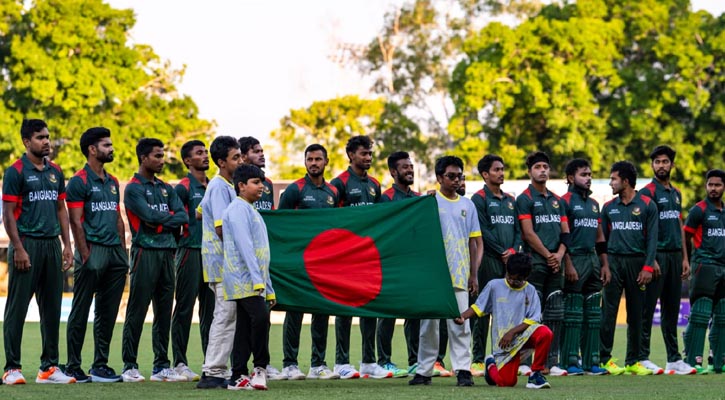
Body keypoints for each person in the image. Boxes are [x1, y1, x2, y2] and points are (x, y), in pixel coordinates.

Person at [2, 119, 75, 385]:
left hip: (51, 245)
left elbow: (60, 210)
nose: (46, 141)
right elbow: (8, 214)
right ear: (26, 142)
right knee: (17, 309)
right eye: (40, 137)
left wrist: (67, 245)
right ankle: (11, 368)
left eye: (47, 136)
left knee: (52, 309)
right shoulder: (15, 172)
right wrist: (19, 248)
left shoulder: (56, 170)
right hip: (27, 244)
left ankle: (48, 368)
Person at [409, 155, 483, 387]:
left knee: (461, 324)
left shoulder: (467, 205)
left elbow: (474, 242)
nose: (456, 180)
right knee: (428, 326)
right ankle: (424, 371)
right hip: (433, 276)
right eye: (450, 176)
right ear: (439, 178)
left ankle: (463, 370)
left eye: (459, 176)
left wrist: (474, 274)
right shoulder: (429, 202)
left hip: (459, 273)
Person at [63, 127, 128, 383]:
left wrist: (122, 252)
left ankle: (100, 365)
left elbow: (117, 217)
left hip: (114, 253)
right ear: (92, 149)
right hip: (92, 251)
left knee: (108, 311)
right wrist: (85, 253)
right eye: (106, 145)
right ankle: (73, 366)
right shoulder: (79, 181)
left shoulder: (112, 181)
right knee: (80, 310)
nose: (111, 149)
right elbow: (76, 221)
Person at [121, 138, 188, 383]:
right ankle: (129, 365)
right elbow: (146, 216)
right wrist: (165, 220)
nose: (161, 160)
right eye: (157, 156)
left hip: (167, 252)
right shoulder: (133, 188)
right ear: (143, 158)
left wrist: (160, 224)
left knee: (163, 311)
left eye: (162, 155)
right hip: (144, 253)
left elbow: (182, 216)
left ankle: (161, 365)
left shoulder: (167, 188)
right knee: (137, 311)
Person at [276, 144, 341, 380]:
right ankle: (289, 364)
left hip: (324, 263)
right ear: (305, 162)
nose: (314, 163)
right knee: (295, 312)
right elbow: (281, 225)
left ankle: (318, 365)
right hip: (297, 263)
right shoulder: (295, 190)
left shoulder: (333, 191)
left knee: (322, 311)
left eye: (318, 159)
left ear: (326, 162)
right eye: (310, 159)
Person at [330, 135, 389, 379]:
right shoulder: (339, 183)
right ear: (351, 155)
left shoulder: (375, 184)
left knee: (369, 306)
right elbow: (331, 220)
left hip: (368, 257)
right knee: (344, 309)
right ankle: (341, 362)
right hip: (345, 256)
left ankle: (368, 361)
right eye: (363, 153)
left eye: (370, 153)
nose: (368, 157)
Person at [454, 253, 553, 389]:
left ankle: (535, 374)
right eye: (509, 277)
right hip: (504, 345)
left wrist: (512, 332)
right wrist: (463, 316)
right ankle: (490, 364)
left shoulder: (531, 291)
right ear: (506, 270)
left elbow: (533, 319)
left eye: (517, 279)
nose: (512, 281)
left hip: (522, 338)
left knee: (545, 332)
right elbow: (478, 307)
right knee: (507, 383)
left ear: (526, 277)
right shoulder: (494, 286)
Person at [639, 146, 695, 375]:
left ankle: (674, 359)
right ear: (652, 165)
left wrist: (684, 257)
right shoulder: (647, 192)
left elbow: (679, 227)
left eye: (665, 161)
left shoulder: (677, 193)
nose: (661, 165)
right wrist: (651, 259)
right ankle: (641, 357)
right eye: (657, 162)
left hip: (674, 256)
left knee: (671, 311)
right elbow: (643, 229)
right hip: (657, 256)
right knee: (647, 308)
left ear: (672, 165)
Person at [220, 164, 276, 391]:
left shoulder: (251, 210)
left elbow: (263, 254)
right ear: (241, 186)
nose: (261, 186)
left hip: (254, 279)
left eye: (261, 181)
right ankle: (260, 368)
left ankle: (238, 375)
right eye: (255, 182)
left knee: (244, 326)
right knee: (261, 319)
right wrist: (258, 281)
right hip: (243, 280)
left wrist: (268, 286)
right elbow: (245, 247)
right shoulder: (236, 210)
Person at [599, 161, 658, 375]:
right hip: (613, 263)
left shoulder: (647, 205)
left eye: (613, 179)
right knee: (608, 313)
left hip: (637, 263)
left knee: (636, 314)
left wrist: (648, 267)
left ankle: (633, 361)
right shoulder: (608, 207)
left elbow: (653, 240)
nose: (610, 183)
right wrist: (604, 265)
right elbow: (601, 241)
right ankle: (604, 359)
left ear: (625, 181)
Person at [515, 151, 569, 376]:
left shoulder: (557, 200)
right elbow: (528, 233)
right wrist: (548, 255)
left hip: (556, 264)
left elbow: (566, 233)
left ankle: (551, 362)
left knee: (555, 313)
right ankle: (525, 362)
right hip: (535, 264)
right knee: (530, 315)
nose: (543, 170)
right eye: (537, 166)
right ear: (530, 171)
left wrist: (559, 255)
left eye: (545, 166)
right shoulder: (524, 199)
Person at [196, 136, 244, 389]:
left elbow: (199, 211)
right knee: (224, 316)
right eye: (235, 157)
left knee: (226, 316)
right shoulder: (218, 187)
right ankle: (212, 372)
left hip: (223, 263)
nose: (241, 160)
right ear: (221, 162)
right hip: (222, 264)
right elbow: (221, 229)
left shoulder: (223, 185)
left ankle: (216, 370)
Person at [469, 154, 522, 377]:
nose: (501, 173)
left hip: (510, 261)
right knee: (483, 310)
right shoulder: (478, 198)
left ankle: (505, 356)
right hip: (489, 260)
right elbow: (482, 230)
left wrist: (513, 251)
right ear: (485, 174)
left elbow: (519, 231)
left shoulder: (511, 200)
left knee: (509, 310)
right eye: (496, 169)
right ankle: (478, 359)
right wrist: (502, 252)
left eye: (502, 169)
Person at [559, 159, 611, 376]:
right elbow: (563, 235)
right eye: (583, 174)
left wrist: (605, 264)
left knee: (593, 314)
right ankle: (570, 361)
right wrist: (568, 263)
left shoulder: (594, 204)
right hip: (575, 259)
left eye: (590, 174)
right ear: (571, 178)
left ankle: (592, 361)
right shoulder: (564, 201)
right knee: (572, 312)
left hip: (592, 260)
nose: (588, 178)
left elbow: (599, 237)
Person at [170, 140, 214, 381]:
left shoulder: (217, 185)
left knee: (211, 311)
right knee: (185, 308)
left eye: (206, 152)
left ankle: (211, 362)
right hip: (189, 250)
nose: (205, 156)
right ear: (188, 161)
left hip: (213, 254)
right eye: (199, 153)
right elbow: (176, 221)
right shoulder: (183, 188)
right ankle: (180, 362)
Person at [375, 151, 419, 378]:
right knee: (388, 314)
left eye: (411, 167)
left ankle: (414, 361)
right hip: (391, 265)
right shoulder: (386, 198)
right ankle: (384, 362)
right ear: (394, 172)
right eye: (405, 167)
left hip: (412, 266)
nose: (409, 170)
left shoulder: (418, 198)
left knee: (414, 314)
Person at [682, 169, 725, 374]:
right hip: (704, 265)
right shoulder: (698, 210)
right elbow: (686, 235)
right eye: (710, 185)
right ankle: (692, 360)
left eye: (717, 185)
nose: (713, 188)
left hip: (723, 268)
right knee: (700, 314)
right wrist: (686, 260)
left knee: (723, 316)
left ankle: (718, 361)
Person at [239, 136, 274, 211]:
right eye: (256, 152)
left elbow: (272, 212)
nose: (261, 154)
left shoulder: (268, 182)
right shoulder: (236, 182)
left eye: (262, 151)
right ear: (243, 157)